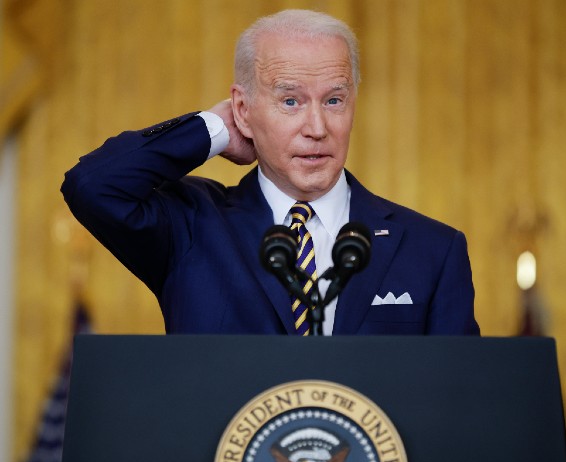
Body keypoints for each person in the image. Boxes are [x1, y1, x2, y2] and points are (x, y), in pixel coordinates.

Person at [61, 9, 479, 336]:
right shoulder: (192, 227)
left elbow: (460, 404)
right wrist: (216, 130)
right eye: (291, 102)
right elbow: (93, 185)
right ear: (244, 109)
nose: (317, 129)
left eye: (334, 100)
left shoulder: (432, 250)